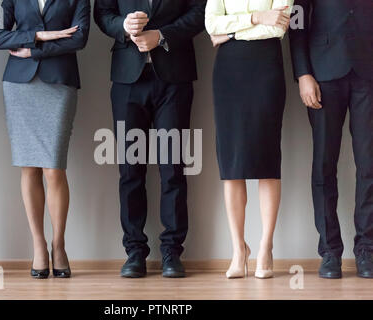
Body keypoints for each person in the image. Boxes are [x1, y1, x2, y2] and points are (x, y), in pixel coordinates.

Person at [94, 0, 206, 278]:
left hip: (174, 79)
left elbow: (200, 12)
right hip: (127, 80)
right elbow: (102, 13)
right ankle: (134, 252)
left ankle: (172, 251)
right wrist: (122, 25)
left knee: (173, 168)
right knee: (129, 171)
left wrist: (162, 35)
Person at [0, 0, 90, 279]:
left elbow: (80, 38)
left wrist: (35, 50)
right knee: (29, 166)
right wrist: (37, 36)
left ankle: (59, 244)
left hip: (59, 82)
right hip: (19, 84)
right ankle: (39, 245)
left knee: (54, 169)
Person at [205, 0, 293, 279]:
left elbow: (276, 29)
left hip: (266, 67)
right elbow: (211, 25)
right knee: (232, 165)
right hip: (228, 72)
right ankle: (238, 250)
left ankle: (266, 247)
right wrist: (256, 16)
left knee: (267, 161)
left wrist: (230, 32)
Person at [290, 0, 373, 279]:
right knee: (324, 165)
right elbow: (297, 21)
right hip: (323, 72)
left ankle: (367, 250)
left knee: (369, 165)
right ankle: (329, 251)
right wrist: (302, 73)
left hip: (368, 72)